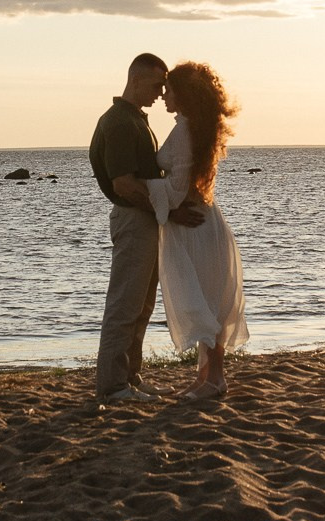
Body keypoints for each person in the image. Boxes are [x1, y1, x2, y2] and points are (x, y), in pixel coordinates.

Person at [88, 53, 201, 403]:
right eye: (157, 85)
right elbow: (124, 184)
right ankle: (112, 385)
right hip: (134, 218)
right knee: (125, 304)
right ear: (136, 80)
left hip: (147, 218)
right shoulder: (121, 123)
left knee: (141, 306)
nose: (161, 92)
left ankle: (130, 378)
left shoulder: (135, 120)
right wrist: (171, 211)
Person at [147, 61, 247, 399]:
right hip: (205, 221)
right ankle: (205, 376)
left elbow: (176, 190)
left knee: (203, 300)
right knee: (208, 298)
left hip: (193, 224)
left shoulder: (185, 131)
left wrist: (140, 185)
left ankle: (214, 380)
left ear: (184, 94)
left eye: (170, 89)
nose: (163, 96)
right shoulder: (197, 128)